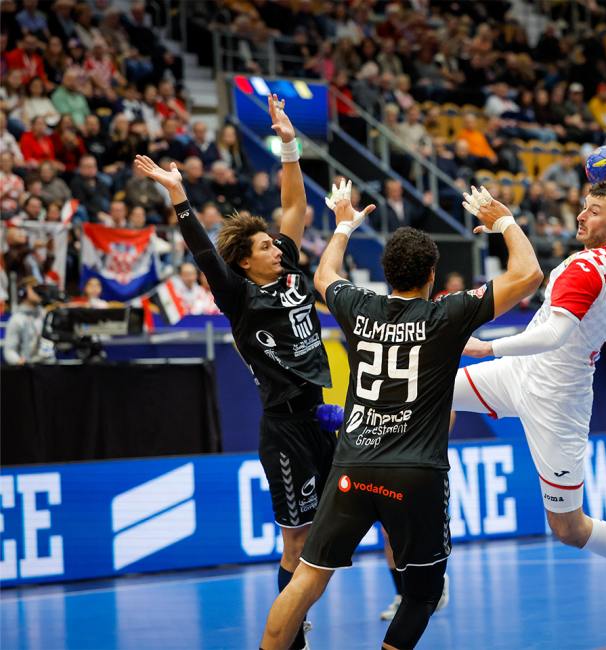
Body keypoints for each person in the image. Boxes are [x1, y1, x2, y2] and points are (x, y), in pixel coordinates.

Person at [258, 184, 542, 650]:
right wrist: (505, 221)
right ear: (432, 275)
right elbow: (528, 274)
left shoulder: (358, 306)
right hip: (414, 473)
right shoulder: (447, 314)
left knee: (306, 581)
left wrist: (344, 225)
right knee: (422, 593)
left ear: (386, 273)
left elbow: (324, 274)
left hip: (352, 467)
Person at [134, 94, 336, 650]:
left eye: (275, 244)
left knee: (344, 521)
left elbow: (294, 205)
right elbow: (204, 253)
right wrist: (178, 196)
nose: (277, 248)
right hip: (285, 430)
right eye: (266, 246)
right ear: (245, 261)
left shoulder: (290, 272)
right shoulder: (239, 296)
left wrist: (289, 144)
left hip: (322, 418)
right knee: (296, 542)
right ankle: (290, 636)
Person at [454, 181, 606, 632]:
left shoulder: (587, 268)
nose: (581, 215)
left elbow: (552, 335)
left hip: (557, 399)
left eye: (593, 211)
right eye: (583, 206)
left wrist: (486, 348)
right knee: (433, 390)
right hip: (519, 373)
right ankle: (367, 427)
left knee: (568, 529)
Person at [3, 277, 55, 365]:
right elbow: (9, 350)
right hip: (28, 367)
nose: (38, 292)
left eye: (40, 289)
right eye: (34, 288)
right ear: (23, 292)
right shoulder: (17, 320)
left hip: (49, 366)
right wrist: (18, 361)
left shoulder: (46, 315)